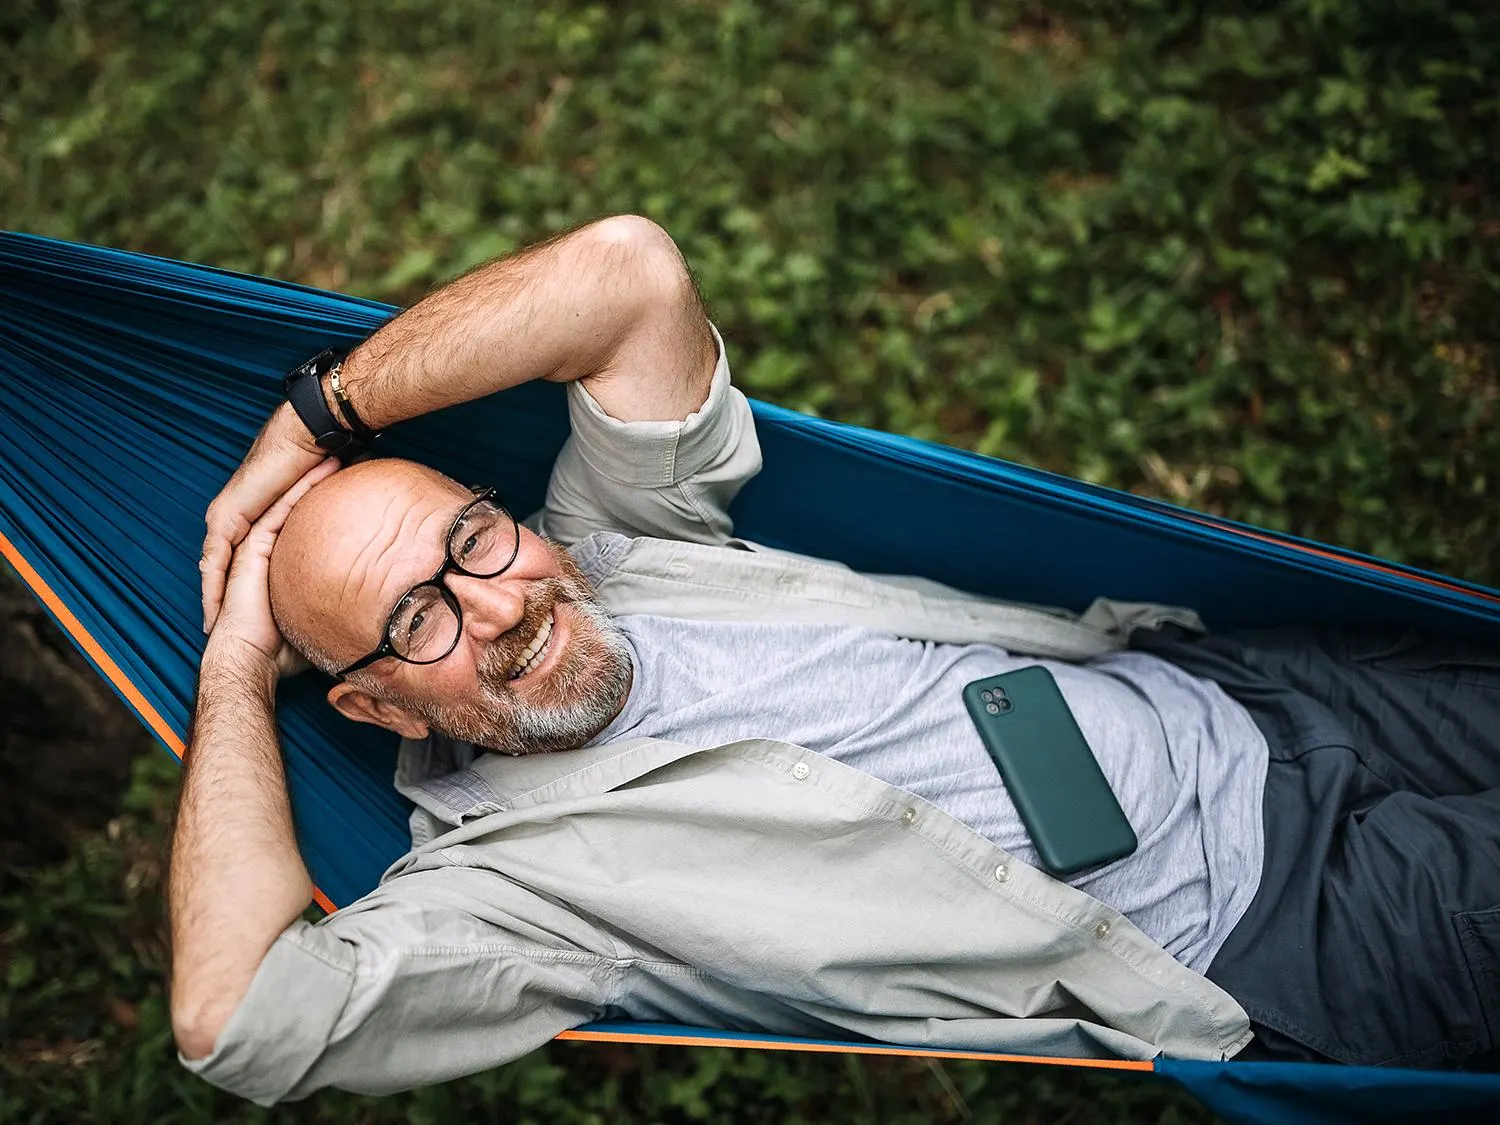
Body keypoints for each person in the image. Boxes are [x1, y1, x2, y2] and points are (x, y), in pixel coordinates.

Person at [172, 216, 1500, 1105]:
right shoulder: (511, 890)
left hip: (1250, 691)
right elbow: (237, 1016)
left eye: (475, 539)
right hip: (1284, 932)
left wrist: (318, 415)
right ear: (369, 698)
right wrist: (235, 662)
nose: (503, 604)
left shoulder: (620, 541)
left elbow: (630, 273)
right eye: (420, 619)